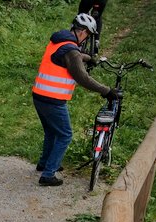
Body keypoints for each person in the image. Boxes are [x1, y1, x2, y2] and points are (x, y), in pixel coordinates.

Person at [32, 14, 119, 186]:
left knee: (51, 131)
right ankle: (48, 174)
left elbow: (72, 55)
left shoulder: (59, 41)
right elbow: (82, 77)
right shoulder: (71, 50)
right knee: (65, 135)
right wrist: (106, 91)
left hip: (39, 96)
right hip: (53, 100)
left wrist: (88, 58)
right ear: (83, 32)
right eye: (88, 35)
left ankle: (44, 163)